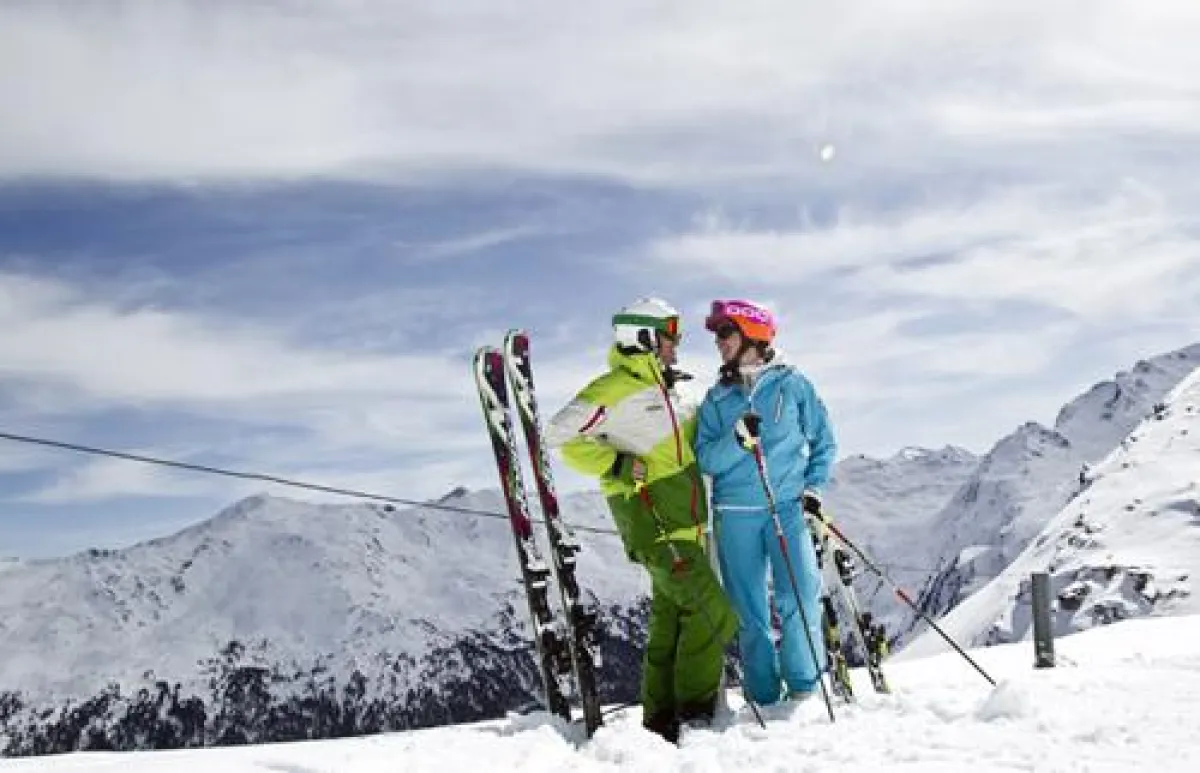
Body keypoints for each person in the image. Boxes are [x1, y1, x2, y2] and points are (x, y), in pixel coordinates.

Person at [546, 296, 738, 743]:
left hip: (685, 525)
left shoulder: (668, 389)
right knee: (713, 613)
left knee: (671, 623)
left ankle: (658, 722)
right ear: (646, 337)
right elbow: (558, 434)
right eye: (671, 336)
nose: (677, 345)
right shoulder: (614, 388)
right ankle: (693, 715)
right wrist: (614, 464)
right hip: (653, 522)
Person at [694, 299, 837, 706]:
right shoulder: (717, 399)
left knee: (799, 595)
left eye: (726, 333)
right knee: (748, 612)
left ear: (753, 334)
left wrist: (813, 488)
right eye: (718, 335)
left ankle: (806, 687)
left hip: (787, 508)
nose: (719, 343)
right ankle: (762, 695)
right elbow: (706, 458)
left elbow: (823, 442)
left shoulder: (793, 385)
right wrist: (737, 440)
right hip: (735, 513)